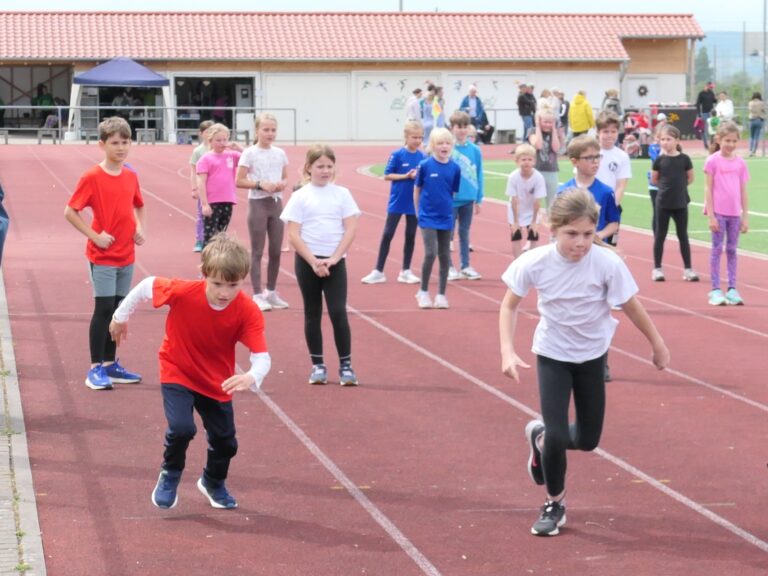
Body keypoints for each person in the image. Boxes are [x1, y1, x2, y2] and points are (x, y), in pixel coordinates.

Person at [499, 188, 669, 537]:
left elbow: (631, 305)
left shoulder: (607, 263)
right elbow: (509, 305)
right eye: (571, 234)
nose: (580, 242)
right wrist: (507, 349)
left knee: (588, 439)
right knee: (560, 435)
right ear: (553, 229)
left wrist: (657, 344)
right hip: (552, 355)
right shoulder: (535, 262)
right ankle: (554, 503)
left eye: (588, 234)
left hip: (592, 356)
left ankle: (540, 440)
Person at [109, 234, 271, 510]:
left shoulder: (247, 311)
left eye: (233, 285)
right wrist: (119, 317)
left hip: (216, 381)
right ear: (204, 274)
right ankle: (170, 474)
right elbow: (147, 286)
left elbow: (262, 357)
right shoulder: (183, 292)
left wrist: (251, 376)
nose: (224, 292)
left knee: (226, 443)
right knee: (182, 428)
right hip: (178, 370)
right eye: (217, 283)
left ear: (243, 279)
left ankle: (212, 481)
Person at [63, 117, 146, 391]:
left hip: (127, 254)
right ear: (102, 145)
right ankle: (95, 368)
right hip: (103, 256)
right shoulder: (92, 177)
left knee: (120, 310)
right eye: (115, 143)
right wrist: (94, 236)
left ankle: (111, 365)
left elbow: (138, 206)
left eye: (125, 142)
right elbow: (70, 211)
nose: (121, 148)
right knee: (104, 309)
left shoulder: (131, 175)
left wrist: (140, 228)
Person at [281, 144, 361, 386]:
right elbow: (294, 234)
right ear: (309, 168)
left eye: (329, 166)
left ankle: (346, 365)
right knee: (312, 312)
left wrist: (335, 258)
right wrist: (313, 261)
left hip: (334, 262)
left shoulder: (342, 194)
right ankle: (318, 365)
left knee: (338, 311)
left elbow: (351, 228)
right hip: (308, 262)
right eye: (320, 166)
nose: (325, 171)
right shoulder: (300, 196)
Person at [559, 135, 621, 383]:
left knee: (599, 312)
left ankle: (601, 361)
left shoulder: (605, 192)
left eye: (598, 157)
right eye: (589, 157)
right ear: (575, 161)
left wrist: (596, 236)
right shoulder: (565, 191)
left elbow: (614, 223)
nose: (595, 162)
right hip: (571, 259)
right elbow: (558, 225)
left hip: (598, 255)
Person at [236, 113, 290, 312]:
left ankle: (272, 291)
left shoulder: (280, 153)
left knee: (276, 251)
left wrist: (281, 184)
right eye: (266, 130)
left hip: (276, 203)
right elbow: (239, 180)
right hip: (258, 204)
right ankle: (258, 294)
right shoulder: (249, 153)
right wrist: (260, 184)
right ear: (257, 131)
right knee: (257, 251)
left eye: (273, 130)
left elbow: (285, 177)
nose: (270, 133)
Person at [361, 121, 425, 285]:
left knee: (410, 235)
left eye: (420, 137)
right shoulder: (397, 155)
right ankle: (378, 270)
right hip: (397, 201)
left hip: (414, 203)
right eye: (414, 137)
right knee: (388, 234)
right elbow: (387, 175)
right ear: (406, 137)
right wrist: (406, 176)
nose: (417, 140)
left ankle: (406, 270)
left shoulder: (423, 157)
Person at [414, 127, 461, 309]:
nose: (444, 146)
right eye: (440, 143)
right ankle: (423, 291)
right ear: (433, 146)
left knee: (444, 255)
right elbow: (417, 190)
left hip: (446, 218)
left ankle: (441, 294)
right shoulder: (425, 166)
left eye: (448, 143)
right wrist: (418, 213)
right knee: (430, 253)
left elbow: (452, 192)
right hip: (427, 217)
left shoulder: (455, 168)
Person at [704, 121, 750, 306]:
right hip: (719, 213)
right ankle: (715, 289)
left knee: (732, 250)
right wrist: (711, 215)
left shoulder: (740, 163)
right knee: (717, 249)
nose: (730, 144)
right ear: (718, 139)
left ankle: (732, 288)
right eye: (727, 140)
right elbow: (708, 188)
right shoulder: (712, 161)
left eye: (734, 141)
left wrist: (745, 216)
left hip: (734, 214)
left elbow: (743, 190)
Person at [650, 124, 698, 283]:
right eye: (662, 139)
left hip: (681, 203)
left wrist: (679, 188)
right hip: (663, 203)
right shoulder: (659, 160)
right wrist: (666, 189)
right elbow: (654, 179)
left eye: (668, 139)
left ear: (677, 140)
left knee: (683, 236)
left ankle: (688, 269)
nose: (665, 142)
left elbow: (690, 178)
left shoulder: (684, 159)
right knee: (660, 236)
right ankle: (657, 269)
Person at [447, 111, 484, 281]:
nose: (462, 131)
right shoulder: (447, 148)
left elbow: (479, 173)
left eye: (464, 127)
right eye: (458, 127)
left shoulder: (475, 150)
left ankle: (465, 265)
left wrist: (479, 197)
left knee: (464, 232)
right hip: (450, 199)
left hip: (468, 198)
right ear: (452, 128)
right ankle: (448, 266)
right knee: (448, 233)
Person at [196, 124, 243, 246]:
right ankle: (206, 262)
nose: (222, 143)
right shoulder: (205, 159)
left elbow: (249, 158)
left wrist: (239, 147)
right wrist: (204, 204)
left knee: (221, 234)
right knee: (210, 234)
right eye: (218, 140)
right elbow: (201, 182)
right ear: (210, 141)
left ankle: (218, 262)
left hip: (227, 200)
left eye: (224, 140)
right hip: (212, 203)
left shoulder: (232, 155)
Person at [595, 111, 631, 246]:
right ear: (598, 132)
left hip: (611, 204)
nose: (609, 135)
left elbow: (621, 184)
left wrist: (612, 205)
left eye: (613, 131)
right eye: (605, 131)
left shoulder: (622, 156)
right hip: (589, 204)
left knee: (609, 246)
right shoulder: (590, 151)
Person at [505, 144, 546, 259]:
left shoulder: (538, 178)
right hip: (516, 209)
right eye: (523, 160)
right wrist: (516, 222)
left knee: (533, 234)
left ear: (534, 161)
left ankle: (531, 261)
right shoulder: (513, 177)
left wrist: (534, 222)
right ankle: (517, 261)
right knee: (516, 234)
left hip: (531, 209)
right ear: (517, 161)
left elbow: (537, 201)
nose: (527, 162)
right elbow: (514, 200)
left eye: (530, 159)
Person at [188, 120, 214, 252]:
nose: (209, 134)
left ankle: (214, 240)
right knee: (201, 214)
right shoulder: (198, 151)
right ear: (201, 133)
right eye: (207, 132)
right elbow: (193, 171)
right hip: (203, 188)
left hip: (216, 188)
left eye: (212, 131)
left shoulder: (218, 149)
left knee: (216, 214)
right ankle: (200, 239)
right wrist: (194, 188)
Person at [528, 108, 560, 212]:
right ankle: (531, 221)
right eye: (545, 122)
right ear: (539, 121)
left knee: (552, 200)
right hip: (536, 169)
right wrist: (537, 126)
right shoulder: (532, 131)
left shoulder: (554, 133)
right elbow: (538, 145)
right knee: (534, 198)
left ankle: (551, 221)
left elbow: (556, 148)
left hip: (551, 170)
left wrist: (554, 130)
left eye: (550, 122)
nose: (548, 125)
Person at [696, 81, 718, 149]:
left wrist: (715, 97)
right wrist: (699, 113)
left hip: (711, 113)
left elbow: (714, 101)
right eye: (710, 86)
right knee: (704, 129)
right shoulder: (701, 93)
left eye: (711, 87)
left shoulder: (711, 93)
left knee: (713, 128)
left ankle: (713, 143)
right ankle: (705, 144)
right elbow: (698, 103)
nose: (711, 87)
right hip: (704, 113)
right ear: (706, 85)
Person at [747, 92, 765, 157]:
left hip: (752, 120)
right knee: (756, 137)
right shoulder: (761, 103)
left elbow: (749, 110)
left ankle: (750, 150)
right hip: (759, 120)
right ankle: (754, 151)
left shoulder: (750, 103)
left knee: (751, 136)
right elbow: (764, 110)